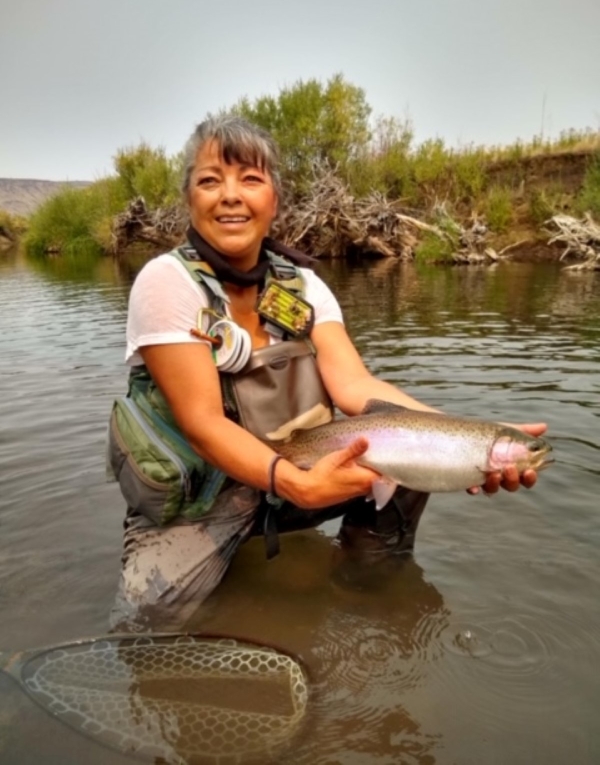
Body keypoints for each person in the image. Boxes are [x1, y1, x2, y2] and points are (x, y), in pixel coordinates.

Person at [108, 116, 546, 631]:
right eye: (210, 180)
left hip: (301, 473)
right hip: (203, 500)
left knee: (408, 457)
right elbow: (203, 423)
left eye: (250, 179)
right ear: (189, 199)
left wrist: (475, 443)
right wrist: (295, 485)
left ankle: (365, 588)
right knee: (146, 629)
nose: (230, 195)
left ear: (275, 199)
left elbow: (355, 387)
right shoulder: (165, 283)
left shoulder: (305, 287)